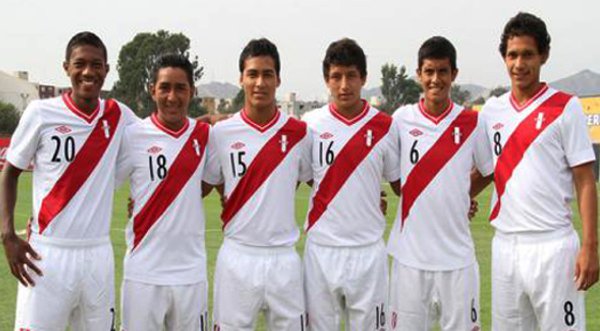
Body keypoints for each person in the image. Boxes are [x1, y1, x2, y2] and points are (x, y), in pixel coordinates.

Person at [0, 31, 137, 330]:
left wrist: (210, 125)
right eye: (80, 64)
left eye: (96, 65)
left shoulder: (119, 115)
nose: (88, 72)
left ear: (106, 70)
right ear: (66, 68)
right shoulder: (41, 112)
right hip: (47, 254)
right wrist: (7, 235)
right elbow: (9, 172)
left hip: (98, 254)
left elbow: (159, 136)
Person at [472, 12, 599, 330]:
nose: (519, 63)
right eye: (512, 55)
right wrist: (455, 198)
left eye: (528, 54)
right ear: (504, 57)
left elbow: (584, 180)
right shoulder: (492, 111)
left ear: (543, 55)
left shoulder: (565, 107)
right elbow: (486, 171)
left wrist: (589, 247)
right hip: (505, 248)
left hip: (553, 248)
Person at [204, 38, 312, 331]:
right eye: (252, 74)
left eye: (267, 74)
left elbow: (310, 179)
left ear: (278, 79)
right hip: (237, 256)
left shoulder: (300, 133)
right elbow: (206, 183)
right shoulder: (222, 133)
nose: (260, 82)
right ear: (241, 79)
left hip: (284, 259)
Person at [386, 36, 492, 331]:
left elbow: (488, 170)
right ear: (418, 74)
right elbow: (396, 180)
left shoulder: (472, 122)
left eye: (442, 71)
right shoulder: (401, 120)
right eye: (429, 71)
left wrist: (460, 194)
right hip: (410, 260)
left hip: (457, 260)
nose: (435, 79)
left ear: (454, 74)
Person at [301, 38, 401, 331]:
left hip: (368, 251)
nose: (344, 85)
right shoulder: (310, 124)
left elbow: (396, 181)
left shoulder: (386, 126)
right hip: (321, 250)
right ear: (326, 80)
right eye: (336, 77)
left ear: (364, 78)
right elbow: (310, 175)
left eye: (351, 76)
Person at [115, 53, 212, 330]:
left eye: (181, 88)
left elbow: (206, 182)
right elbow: (99, 185)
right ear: (152, 90)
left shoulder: (206, 136)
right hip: (143, 273)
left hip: (190, 274)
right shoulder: (132, 137)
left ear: (192, 91)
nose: (172, 96)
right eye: (165, 88)